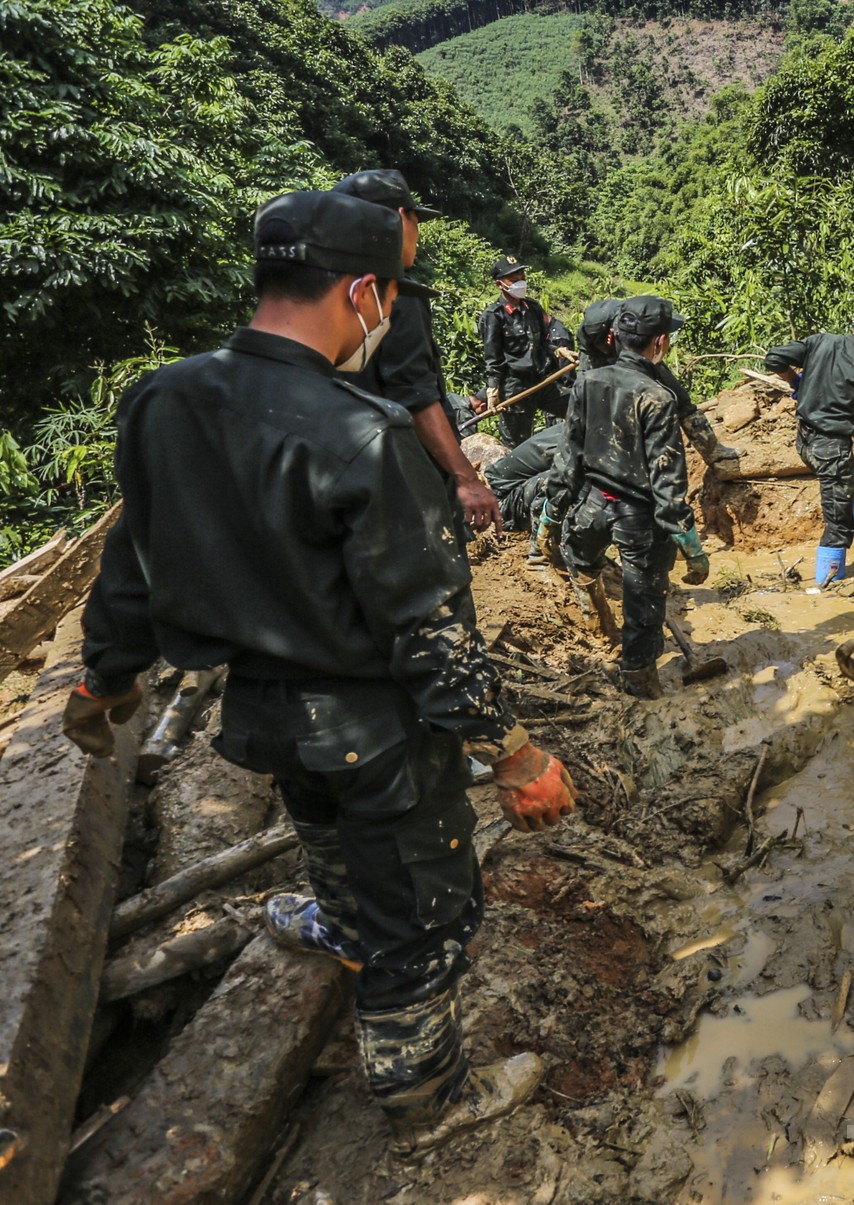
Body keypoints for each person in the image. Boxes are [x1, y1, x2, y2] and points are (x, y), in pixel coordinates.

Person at [61, 190, 576, 1157]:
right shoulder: (362, 432)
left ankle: (341, 923)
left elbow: (132, 558)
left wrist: (105, 677)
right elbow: (427, 625)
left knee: (329, 835)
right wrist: (510, 751)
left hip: (261, 714)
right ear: (366, 291)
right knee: (429, 908)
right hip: (372, 722)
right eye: (387, 300)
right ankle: (426, 1099)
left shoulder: (164, 398)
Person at [553, 296, 732, 697]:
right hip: (639, 517)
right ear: (660, 343)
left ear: (616, 336)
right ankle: (640, 686)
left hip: (592, 504)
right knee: (645, 602)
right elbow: (668, 483)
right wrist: (692, 546)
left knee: (580, 558)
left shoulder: (587, 381)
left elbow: (569, 456)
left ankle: (596, 621)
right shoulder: (658, 397)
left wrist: (552, 511)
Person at [331, 169, 500, 531]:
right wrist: (467, 479)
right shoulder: (395, 296)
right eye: (415, 220)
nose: (418, 233)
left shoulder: (324, 287)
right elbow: (415, 396)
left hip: (343, 465)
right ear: (397, 220)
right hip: (400, 472)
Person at [763, 300, 854, 587]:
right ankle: (827, 584)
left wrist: (795, 382)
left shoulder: (821, 341)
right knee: (837, 526)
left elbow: (773, 359)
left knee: (847, 475)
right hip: (830, 448)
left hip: (805, 440)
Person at [477, 254, 552, 446]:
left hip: (541, 380)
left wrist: (558, 351)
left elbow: (543, 342)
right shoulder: (494, 316)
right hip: (515, 388)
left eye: (522, 278)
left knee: (577, 406)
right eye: (514, 279)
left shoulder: (533, 308)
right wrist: (493, 388)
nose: (521, 283)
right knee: (517, 444)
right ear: (500, 284)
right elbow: (492, 357)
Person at [485, 425, 566, 563]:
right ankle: (539, 555)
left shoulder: (583, 426)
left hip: (519, 491)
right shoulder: (575, 440)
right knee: (560, 481)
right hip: (503, 504)